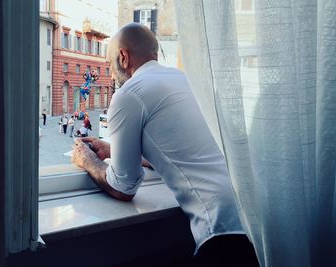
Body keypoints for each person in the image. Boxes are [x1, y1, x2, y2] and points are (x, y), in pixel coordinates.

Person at [71, 23, 258, 267]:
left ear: (123, 57)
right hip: (256, 210)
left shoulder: (128, 93)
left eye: (109, 63)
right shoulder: (185, 80)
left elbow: (123, 188)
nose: (110, 72)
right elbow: (184, 151)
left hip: (223, 226)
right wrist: (115, 151)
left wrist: (87, 160)